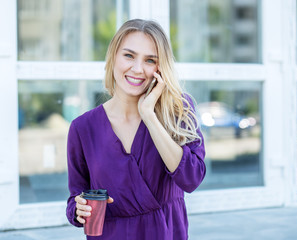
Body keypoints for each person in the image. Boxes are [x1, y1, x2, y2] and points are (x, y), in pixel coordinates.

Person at [66, 19, 206, 240]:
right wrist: (78, 209)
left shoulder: (178, 109)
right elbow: (76, 197)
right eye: (129, 56)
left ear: (161, 68)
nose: (138, 69)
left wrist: (150, 116)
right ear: (113, 56)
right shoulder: (83, 128)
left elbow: (191, 179)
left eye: (150, 60)